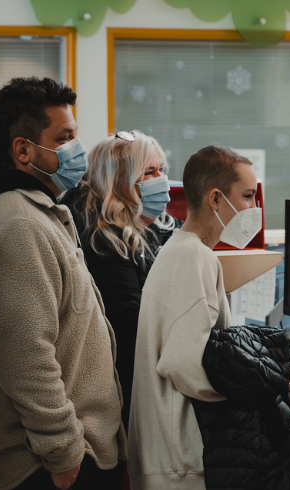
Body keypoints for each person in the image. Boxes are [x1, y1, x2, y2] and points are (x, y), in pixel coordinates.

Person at [0, 77, 125, 490]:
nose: (78, 148)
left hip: (63, 457)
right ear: (23, 150)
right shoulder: (18, 224)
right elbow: (24, 353)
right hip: (49, 466)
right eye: (65, 137)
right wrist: (62, 449)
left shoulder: (37, 213)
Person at [129, 146, 290, 489]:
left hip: (175, 456)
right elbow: (187, 366)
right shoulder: (192, 257)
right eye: (247, 196)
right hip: (182, 458)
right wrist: (260, 386)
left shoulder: (183, 250)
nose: (254, 208)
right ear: (215, 198)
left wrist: (264, 375)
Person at [58, 129, 180, 432]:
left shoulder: (137, 222)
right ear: (117, 181)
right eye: (148, 172)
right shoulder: (99, 238)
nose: (160, 179)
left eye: (161, 170)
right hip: (118, 384)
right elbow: (131, 324)